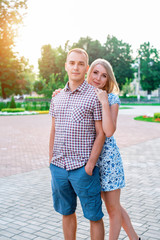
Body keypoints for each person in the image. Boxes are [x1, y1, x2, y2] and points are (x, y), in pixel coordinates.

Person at [52, 58, 141, 240]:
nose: (98, 78)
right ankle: (135, 238)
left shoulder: (110, 98)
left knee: (112, 207)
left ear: (108, 80)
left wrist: (103, 102)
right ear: (88, 72)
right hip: (85, 160)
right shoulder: (82, 94)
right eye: (95, 73)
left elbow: (108, 131)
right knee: (112, 206)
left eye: (104, 75)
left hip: (106, 160)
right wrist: (61, 93)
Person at [49, 48, 105, 240]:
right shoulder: (57, 97)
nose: (76, 67)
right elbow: (53, 130)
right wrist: (51, 161)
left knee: (94, 216)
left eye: (81, 64)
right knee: (66, 212)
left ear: (86, 68)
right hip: (59, 168)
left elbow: (101, 133)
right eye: (72, 63)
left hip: (83, 169)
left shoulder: (94, 96)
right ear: (66, 66)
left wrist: (90, 165)